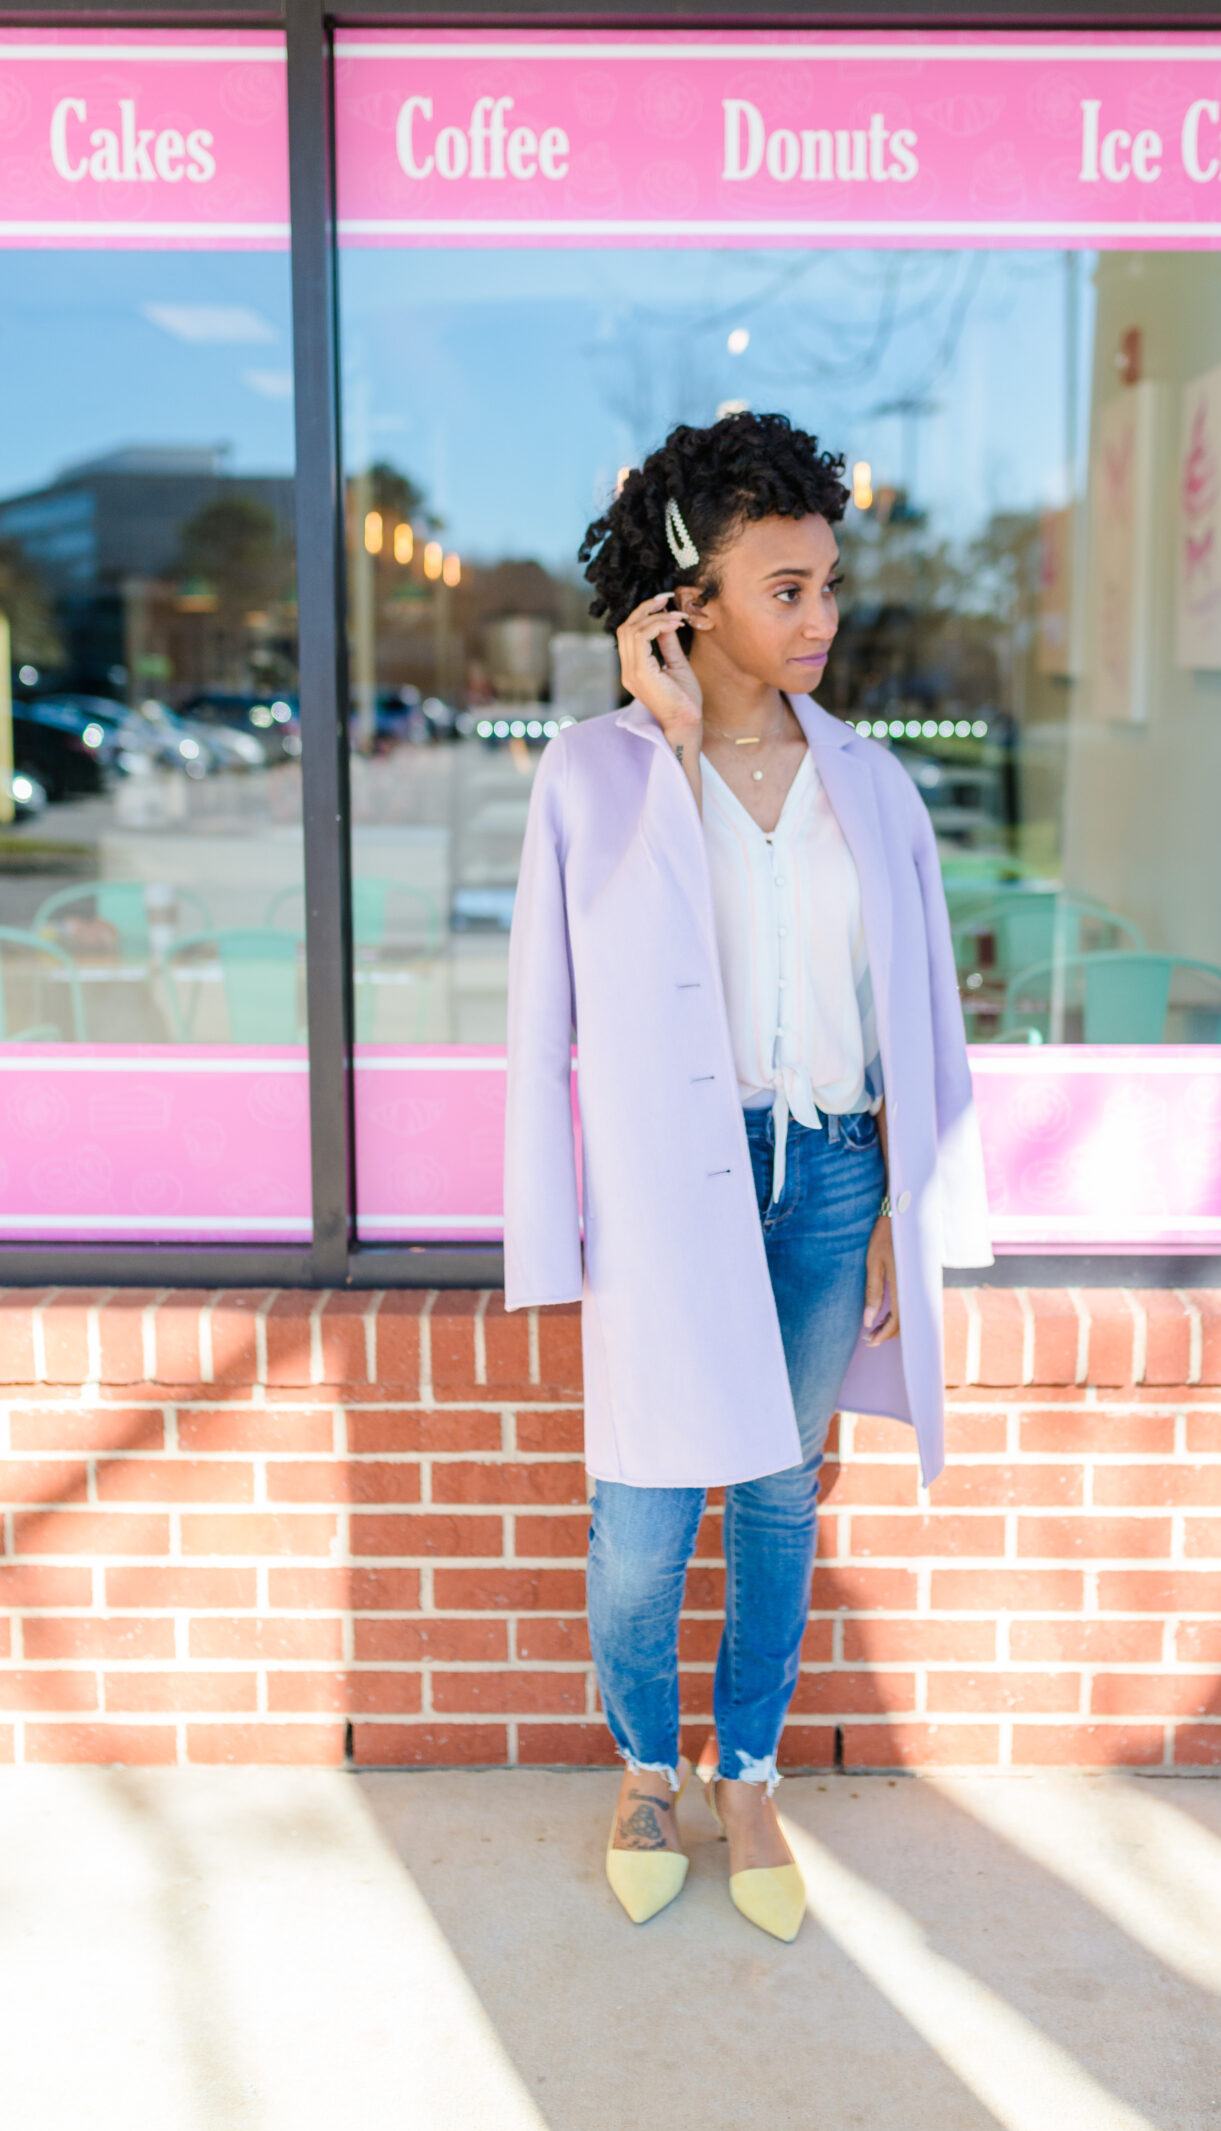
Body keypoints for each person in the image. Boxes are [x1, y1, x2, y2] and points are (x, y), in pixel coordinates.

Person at [504, 411, 991, 1942]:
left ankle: (751, 1772)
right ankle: (650, 1768)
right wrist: (667, 737)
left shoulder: (873, 785)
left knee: (781, 1500)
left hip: (833, 1180)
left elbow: (919, 1020)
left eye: (829, 584)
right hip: (669, 1202)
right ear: (686, 599)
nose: (824, 619)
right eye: (785, 588)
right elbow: (544, 1027)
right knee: (644, 1515)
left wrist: (913, 1223)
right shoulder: (595, 779)